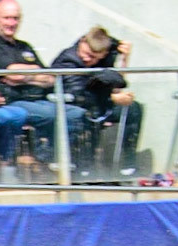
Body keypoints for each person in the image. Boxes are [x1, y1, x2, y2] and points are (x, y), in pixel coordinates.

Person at [0, 0, 81, 166]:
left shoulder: (24, 46)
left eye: (15, 18)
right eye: (7, 18)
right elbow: (14, 72)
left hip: (40, 99)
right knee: (55, 115)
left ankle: (61, 163)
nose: (11, 23)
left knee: (77, 114)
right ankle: (45, 163)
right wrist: (31, 74)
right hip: (15, 101)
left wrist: (25, 75)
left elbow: (49, 77)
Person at [50, 26, 144, 177]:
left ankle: (127, 165)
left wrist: (124, 59)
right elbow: (78, 94)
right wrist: (113, 98)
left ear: (104, 54)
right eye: (86, 53)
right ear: (82, 42)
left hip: (100, 103)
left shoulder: (106, 55)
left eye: (94, 57)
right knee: (88, 114)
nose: (88, 59)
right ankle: (86, 170)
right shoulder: (67, 60)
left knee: (133, 108)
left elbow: (117, 84)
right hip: (75, 106)